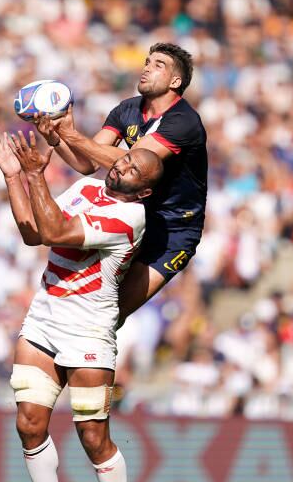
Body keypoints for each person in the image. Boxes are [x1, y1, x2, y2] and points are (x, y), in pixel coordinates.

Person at [0, 129, 163, 482]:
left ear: (144, 189)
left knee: (92, 434)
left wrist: (34, 176)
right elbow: (32, 234)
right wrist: (14, 178)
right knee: (29, 422)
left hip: (88, 328)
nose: (120, 166)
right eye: (123, 161)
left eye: (132, 170)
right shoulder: (86, 187)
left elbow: (57, 231)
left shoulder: (130, 217)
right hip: (44, 317)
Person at [34, 42, 208, 322]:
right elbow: (87, 163)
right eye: (147, 62)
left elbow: (134, 161)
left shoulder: (184, 121)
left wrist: (73, 135)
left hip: (174, 229)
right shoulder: (126, 109)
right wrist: (55, 137)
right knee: (87, 307)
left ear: (176, 81)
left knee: (114, 313)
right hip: (130, 215)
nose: (147, 68)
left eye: (158, 65)